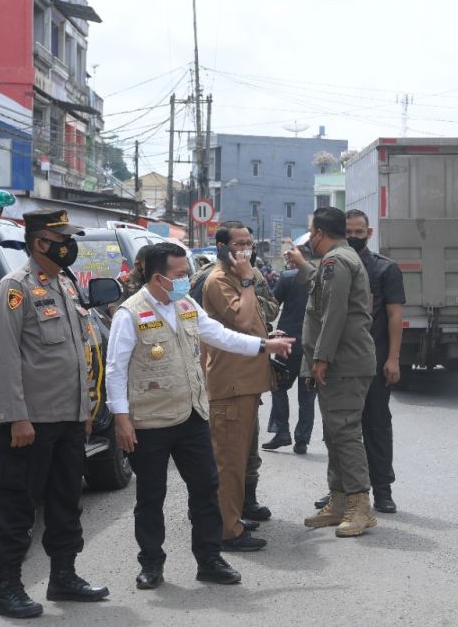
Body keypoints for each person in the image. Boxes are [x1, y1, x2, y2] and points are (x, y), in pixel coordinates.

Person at [105, 243, 293, 589]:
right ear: (158, 277)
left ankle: (209, 560)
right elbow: (115, 370)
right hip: (150, 421)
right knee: (151, 496)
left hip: (191, 415)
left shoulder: (186, 305)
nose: (185, 280)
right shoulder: (129, 314)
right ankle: (151, 564)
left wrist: (264, 345)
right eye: (179, 275)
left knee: (206, 488)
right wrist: (121, 418)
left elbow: (219, 335)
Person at [0, 209, 109, 619]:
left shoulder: (65, 286)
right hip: (29, 423)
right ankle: (8, 588)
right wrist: (16, 417)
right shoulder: (14, 289)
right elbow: (4, 360)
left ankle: (64, 577)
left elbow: (78, 353)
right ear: (40, 243)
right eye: (63, 238)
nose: (69, 245)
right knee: (17, 507)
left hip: (69, 419)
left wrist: (85, 411)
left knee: (65, 502)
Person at [286, 207, 377, 538]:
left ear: (320, 233)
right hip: (341, 361)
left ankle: (359, 505)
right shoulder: (338, 260)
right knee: (336, 432)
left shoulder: (336, 261)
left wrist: (320, 358)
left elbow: (335, 311)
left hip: (344, 361)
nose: (310, 237)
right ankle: (339, 501)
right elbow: (324, 294)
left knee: (345, 432)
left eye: (312, 231)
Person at [201, 221, 278, 551]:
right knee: (229, 462)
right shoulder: (221, 280)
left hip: (245, 383)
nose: (246, 248)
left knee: (240, 459)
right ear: (222, 248)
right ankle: (227, 531)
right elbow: (243, 322)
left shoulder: (238, 279)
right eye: (239, 244)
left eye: (249, 242)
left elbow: (256, 323)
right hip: (231, 383)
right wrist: (248, 279)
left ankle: (231, 516)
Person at [344, 209, 405, 513]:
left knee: (377, 426)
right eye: (348, 232)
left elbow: (395, 316)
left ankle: (383, 490)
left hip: (375, 363)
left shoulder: (384, 270)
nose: (353, 237)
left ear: (369, 233)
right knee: (341, 429)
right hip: (341, 365)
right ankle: (342, 491)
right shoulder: (334, 268)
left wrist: (393, 358)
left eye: (359, 232)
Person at [262, 243, 317, 454]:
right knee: (307, 395)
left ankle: (282, 431)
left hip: (288, 343)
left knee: (278, 387)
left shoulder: (287, 277)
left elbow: (272, 308)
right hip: (313, 345)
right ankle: (302, 440)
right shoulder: (321, 277)